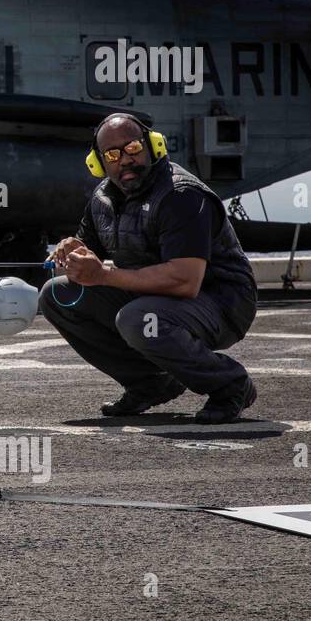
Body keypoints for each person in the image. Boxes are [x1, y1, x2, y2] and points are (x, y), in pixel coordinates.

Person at [39, 112, 258, 424]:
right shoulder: (102, 199)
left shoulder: (181, 196)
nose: (124, 160)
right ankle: (149, 383)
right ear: (98, 163)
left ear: (154, 146)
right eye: (112, 155)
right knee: (58, 295)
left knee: (139, 319)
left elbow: (185, 282)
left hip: (221, 303)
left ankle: (229, 383)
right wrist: (71, 249)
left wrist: (103, 275)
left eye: (132, 148)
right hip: (156, 298)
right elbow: (88, 250)